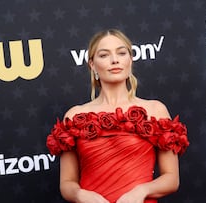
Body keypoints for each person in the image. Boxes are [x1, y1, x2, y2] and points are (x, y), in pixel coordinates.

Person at [46, 29, 189, 203]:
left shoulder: (155, 110)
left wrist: (141, 191)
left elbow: (172, 179)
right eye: (104, 55)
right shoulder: (75, 116)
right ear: (92, 64)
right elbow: (67, 183)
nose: (115, 60)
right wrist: (82, 195)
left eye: (121, 53)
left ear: (130, 60)